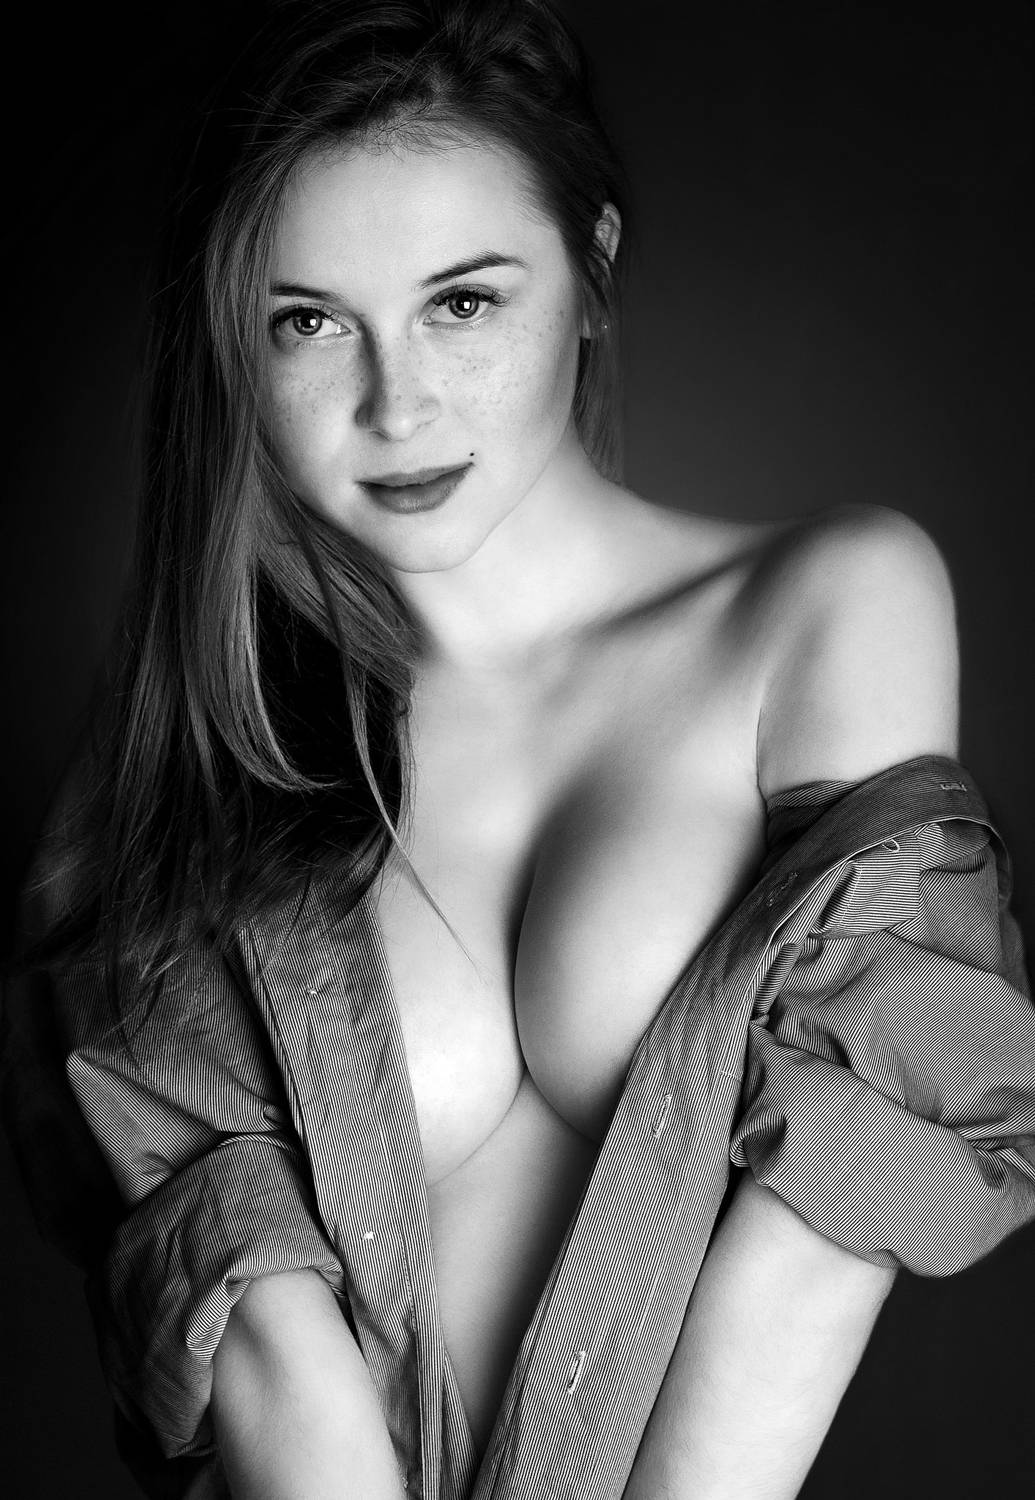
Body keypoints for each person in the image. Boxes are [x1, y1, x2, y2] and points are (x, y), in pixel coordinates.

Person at [2, 1, 1034, 1498]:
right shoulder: (206, 721)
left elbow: (846, 1188)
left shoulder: (827, 605)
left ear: (591, 272)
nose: (397, 402)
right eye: (310, 323)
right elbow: (237, 1288)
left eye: (464, 303)